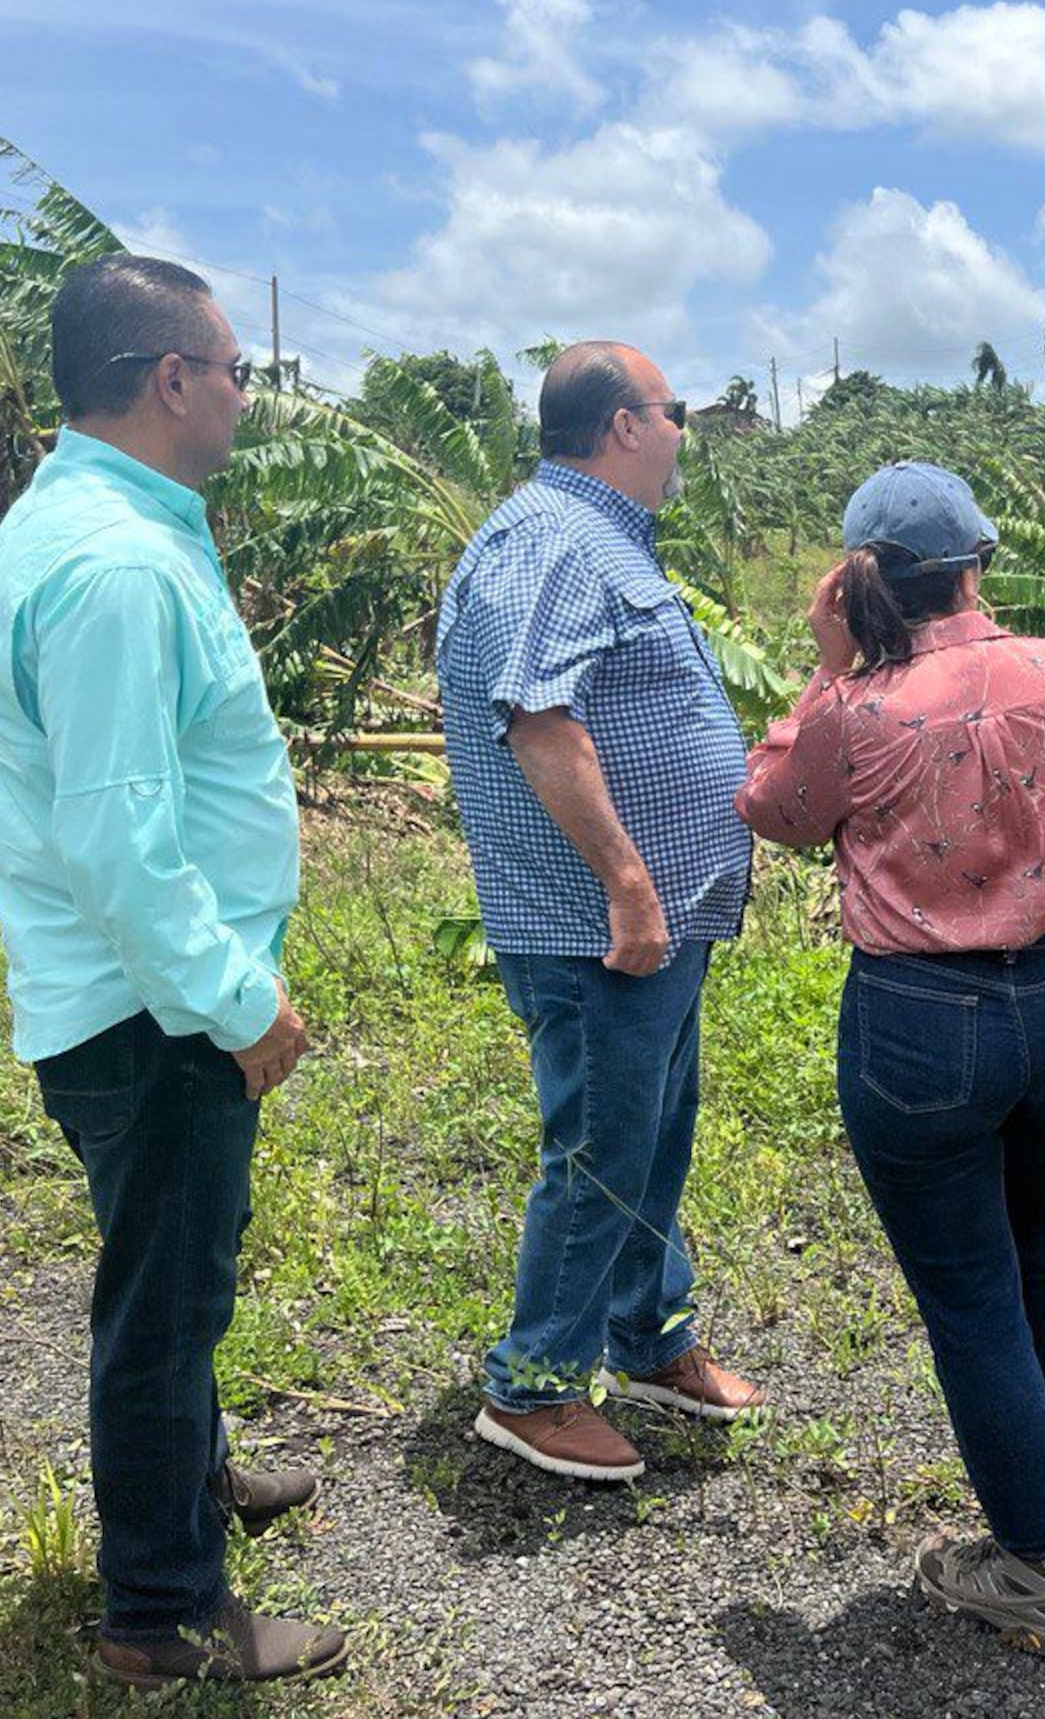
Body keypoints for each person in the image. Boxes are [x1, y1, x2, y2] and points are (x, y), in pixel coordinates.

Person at [0, 255, 345, 1688]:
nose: (247, 395)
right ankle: (164, 1611)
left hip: (139, 997)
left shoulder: (92, 520)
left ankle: (196, 1479)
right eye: (238, 371)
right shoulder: (118, 567)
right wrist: (242, 1005)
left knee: (180, 1281)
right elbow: (119, 836)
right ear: (173, 378)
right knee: (165, 1304)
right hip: (156, 1011)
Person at [737, 463, 1045, 1653]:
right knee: (1035, 1251)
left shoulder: (859, 711)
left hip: (921, 1018)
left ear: (860, 581)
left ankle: (1026, 1566)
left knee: (969, 1297)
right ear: (979, 562)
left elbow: (772, 806)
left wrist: (823, 665)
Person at [438, 341, 764, 1484]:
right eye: (677, 412)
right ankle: (531, 1386)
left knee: (652, 1131)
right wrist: (626, 881)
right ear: (624, 424)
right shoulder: (553, 540)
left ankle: (647, 1333)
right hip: (598, 925)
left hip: (653, 920)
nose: (685, 433)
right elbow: (536, 716)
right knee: (601, 1148)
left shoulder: (591, 539)